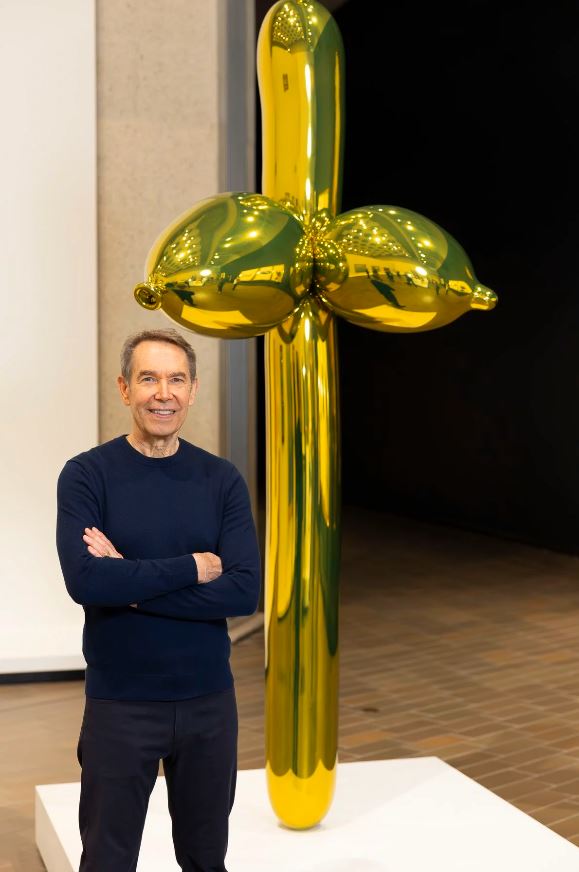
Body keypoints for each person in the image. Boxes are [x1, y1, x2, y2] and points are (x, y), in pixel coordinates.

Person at [56, 327, 261, 872]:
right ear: (125, 389)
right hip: (120, 705)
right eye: (149, 378)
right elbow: (86, 582)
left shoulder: (222, 481)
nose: (162, 393)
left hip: (208, 704)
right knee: (106, 859)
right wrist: (191, 568)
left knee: (204, 859)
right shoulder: (86, 476)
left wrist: (129, 581)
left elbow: (244, 590)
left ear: (193, 390)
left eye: (176, 380)